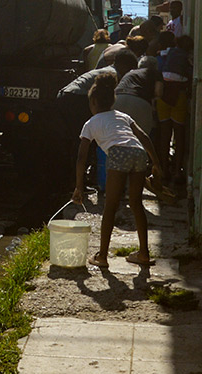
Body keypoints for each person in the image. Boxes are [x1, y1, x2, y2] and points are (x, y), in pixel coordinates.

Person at [71, 72, 163, 268]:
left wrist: (79, 186)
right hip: (139, 153)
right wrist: (156, 163)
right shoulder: (123, 116)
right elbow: (144, 137)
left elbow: (81, 157)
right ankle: (144, 254)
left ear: (93, 102)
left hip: (119, 154)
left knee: (110, 206)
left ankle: (102, 256)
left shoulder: (91, 123)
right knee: (136, 203)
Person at [56, 49, 137, 190]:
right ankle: (76, 182)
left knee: (78, 140)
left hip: (67, 96)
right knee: (84, 140)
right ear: (125, 66)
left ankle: (74, 178)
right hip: (76, 98)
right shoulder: (113, 76)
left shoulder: (107, 70)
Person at [156, 34, 194, 177]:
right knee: (179, 134)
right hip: (179, 93)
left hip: (164, 93)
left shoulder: (169, 52)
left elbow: (160, 55)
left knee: (164, 134)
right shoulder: (187, 57)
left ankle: (163, 168)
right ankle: (178, 170)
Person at [114, 57, 163, 135]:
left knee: (118, 134)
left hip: (117, 99)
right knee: (141, 136)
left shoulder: (130, 72)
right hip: (139, 101)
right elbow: (158, 92)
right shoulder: (155, 73)